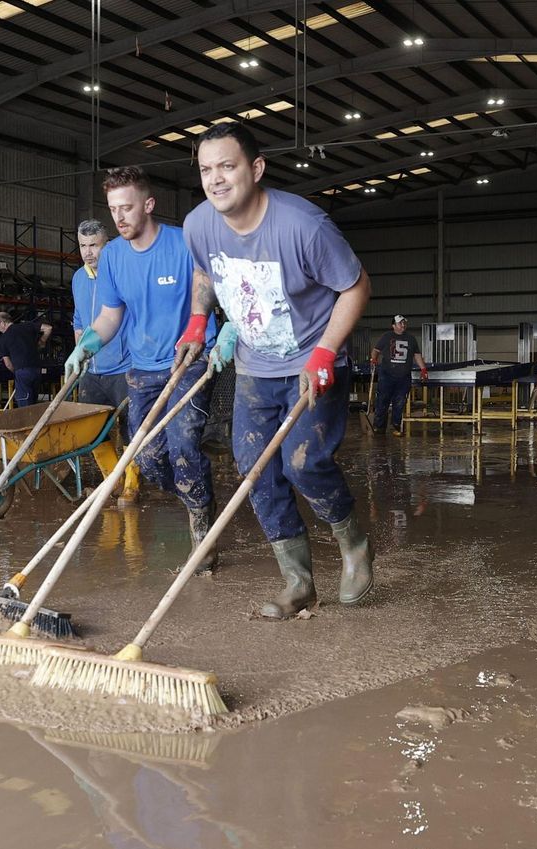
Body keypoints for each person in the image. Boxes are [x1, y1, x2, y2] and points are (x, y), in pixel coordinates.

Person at [179, 121, 374, 619]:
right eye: (206, 169)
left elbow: (355, 287)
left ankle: (353, 544)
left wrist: (326, 352)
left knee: (304, 463)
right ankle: (298, 580)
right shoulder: (199, 223)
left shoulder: (302, 225)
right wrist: (198, 322)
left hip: (313, 360)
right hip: (255, 367)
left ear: (256, 168)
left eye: (227, 166)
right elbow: (206, 270)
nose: (216, 179)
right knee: (254, 469)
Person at [66, 166, 218, 572]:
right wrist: (86, 345)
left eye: (127, 208)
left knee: (183, 445)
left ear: (148, 205)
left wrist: (207, 334)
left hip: (189, 358)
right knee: (148, 459)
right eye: (114, 209)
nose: (119, 218)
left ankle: (202, 526)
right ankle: (197, 492)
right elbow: (111, 315)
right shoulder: (113, 256)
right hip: (143, 367)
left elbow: (206, 289)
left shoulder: (182, 244)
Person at [69, 220, 131, 409]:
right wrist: (78, 353)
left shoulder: (123, 273)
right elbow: (78, 321)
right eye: (83, 246)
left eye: (94, 245)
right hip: (91, 371)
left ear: (107, 244)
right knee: (91, 432)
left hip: (124, 369)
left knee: (132, 430)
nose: (88, 252)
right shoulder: (78, 278)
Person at [369, 314, 426, 435]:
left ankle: (396, 426)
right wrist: (373, 359)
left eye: (404, 323)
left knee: (400, 401)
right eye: (400, 323)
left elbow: (417, 355)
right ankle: (379, 426)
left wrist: (423, 369)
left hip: (404, 376)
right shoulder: (386, 337)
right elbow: (376, 350)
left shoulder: (411, 338)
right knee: (382, 400)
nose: (403, 325)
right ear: (393, 326)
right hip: (387, 375)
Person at [0, 310, 41, 407]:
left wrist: (16, 371)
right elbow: (48, 328)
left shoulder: (3, 338)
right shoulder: (26, 326)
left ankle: (27, 422)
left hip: (21, 371)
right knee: (34, 403)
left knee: (24, 404)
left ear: (2, 323)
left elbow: (8, 364)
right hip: (37, 370)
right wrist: (42, 341)